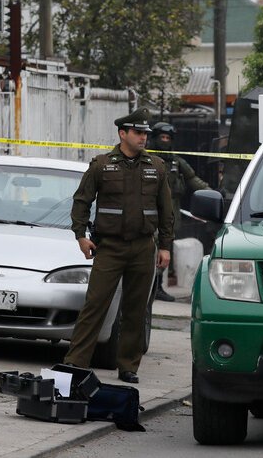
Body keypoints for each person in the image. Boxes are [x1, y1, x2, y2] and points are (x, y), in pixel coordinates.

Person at [63, 108, 174, 384]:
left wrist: (165, 246)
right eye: (138, 132)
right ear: (122, 134)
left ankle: (128, 366)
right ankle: (76, 362)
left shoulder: (156, 167)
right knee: (95, 305)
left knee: (135, 310)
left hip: (143, 248)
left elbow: (166, 210)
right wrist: (80, 235)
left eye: (145, 133)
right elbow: (81, 201)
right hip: (109, 248)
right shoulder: (102, 165)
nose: (143, 137)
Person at [148, 121, 210, 301]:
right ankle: (150, 286)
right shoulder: (146, 159)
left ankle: (158, 286)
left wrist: (211, 191)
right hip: (151, 212)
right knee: (151, 249)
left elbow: (193, 179)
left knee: (165, 249)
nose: (165, 141)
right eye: (162, 137)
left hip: (171, 213)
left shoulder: (176, 162)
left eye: (168, 138)